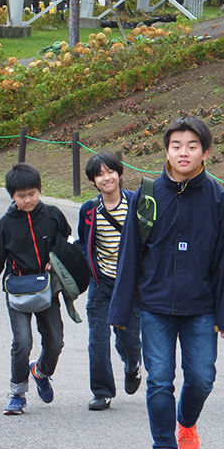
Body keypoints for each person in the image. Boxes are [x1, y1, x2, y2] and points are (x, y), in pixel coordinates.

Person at [108, 116, 224, 449]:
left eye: (192, 146)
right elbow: (129, 255)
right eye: (177, 146)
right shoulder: (147, 197)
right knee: (160, 379)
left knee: (201, 378)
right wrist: (120, 311)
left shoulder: (220, 202)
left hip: (202, 307)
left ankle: (186, 421)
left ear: (205, 153)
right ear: (166, 150)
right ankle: (164, 447)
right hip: (155, 305)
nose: (184, 152)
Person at [0, 163, 71, 415]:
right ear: (12, 196)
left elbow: (67, 242)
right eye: (21, 196)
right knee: (22, 341)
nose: (28, 199)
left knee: (55, 340)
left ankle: (41, 371)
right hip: (17, 290)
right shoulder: (5, 225)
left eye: (32, 193)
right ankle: (18, 394)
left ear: (39, 190)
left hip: (47, 289)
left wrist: (56, 260)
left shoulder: (53, 215)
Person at [76, 152, 142, 411]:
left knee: (129, 339)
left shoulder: (136, 204)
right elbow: (84, 242)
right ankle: (102, 391)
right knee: (98, 338)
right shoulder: (89, 210)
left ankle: (132, 364)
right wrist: (91, 270)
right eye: (100, 174)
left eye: (110, 172)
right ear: (93, 181)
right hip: (101, 283)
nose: (106, 178)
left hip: (131, 286)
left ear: (120, 173)